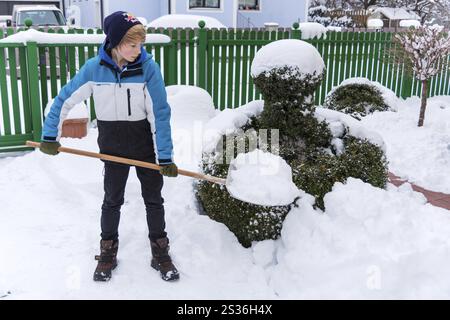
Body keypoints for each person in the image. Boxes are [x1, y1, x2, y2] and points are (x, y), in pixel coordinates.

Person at [40, 11, 180, 282]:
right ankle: (108, 251)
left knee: (154, 200)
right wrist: (49, 135)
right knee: (112, 200)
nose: (138, 51)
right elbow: (64, 99)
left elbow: (160, 113)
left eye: (141, 45)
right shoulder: (94, 69)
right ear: (115, 42)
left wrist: (164, 156)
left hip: (145, 147)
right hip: (113, 147)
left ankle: (160, 251)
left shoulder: (148, 69)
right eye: (132, 45)